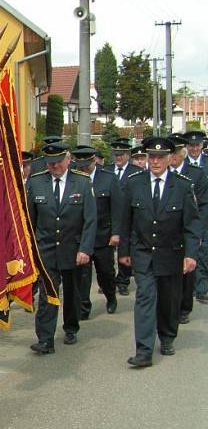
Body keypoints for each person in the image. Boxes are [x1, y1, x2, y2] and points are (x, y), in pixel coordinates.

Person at [119, 137, 200, 367]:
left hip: (171, 253)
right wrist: (123, 251)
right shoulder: (134, 183)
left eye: (160, 157)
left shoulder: (182, 185)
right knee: (145, 297)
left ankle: (167, 336)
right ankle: (144, 350)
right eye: (151, 157)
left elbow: (192, 225)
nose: (155, 162)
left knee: (168, 299)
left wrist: (191, 254)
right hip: (143, 252)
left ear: (170, 159)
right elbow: (126, 221)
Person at [25, 141, 96, 354]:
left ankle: (71, 327)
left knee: (73, 293)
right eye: (49, 163)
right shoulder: (36, 183)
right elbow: (30, 219)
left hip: (73, 249)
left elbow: (90, 220)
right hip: (46, 249)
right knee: (48, 294)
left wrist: (85, 249)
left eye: (57, 162)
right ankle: (45, 339)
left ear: (68, 159)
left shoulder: (82, 183)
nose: (54, 167)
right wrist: (31, 249)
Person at [72, 146, 121, 318]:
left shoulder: (108, 178)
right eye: (80, 165)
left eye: (87, 164)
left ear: (94, 161)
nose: (83, 168)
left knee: (106, 272)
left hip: (103, 235)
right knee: (82, 275)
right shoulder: (74, 178)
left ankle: (111, 296)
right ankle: (84, 307)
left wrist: (116, 232)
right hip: (82, 236)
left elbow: (116, 208)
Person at [167, 134, 208, 324]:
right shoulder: (160, 172)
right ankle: (168, 305)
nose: (173, 157)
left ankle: (184, 306)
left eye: (176, 153)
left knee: (187, 270)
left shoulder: (196, 173)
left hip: (187, 230)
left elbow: (202, 206)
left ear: (183, 153)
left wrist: (198, 232)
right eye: (170, 153)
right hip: (165, 230)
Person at [107, 139, 142, 296]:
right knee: (106, 253)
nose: (118, 158)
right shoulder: (106, 171)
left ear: (128, 155)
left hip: (128, 216)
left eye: (121, 155)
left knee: (124, 249)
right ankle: (107, 279)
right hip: (108, 217)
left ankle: (123, 280)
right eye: (116, 154)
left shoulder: (136, 171)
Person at [182, 131, 208, 303]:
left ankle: (202, 288)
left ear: (202, 145)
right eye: (191, 145)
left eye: (197, 145)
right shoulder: (181, 165)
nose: (194, 148)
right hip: (185, 216)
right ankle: (188, 289)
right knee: (189, 251)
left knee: (204, 251)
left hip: (204, 212)